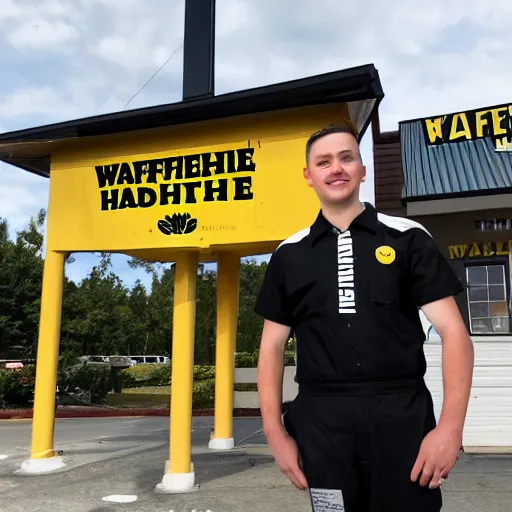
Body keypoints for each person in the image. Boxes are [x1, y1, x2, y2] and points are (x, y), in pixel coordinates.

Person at [254, 124, 474, 512]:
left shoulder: (408, 238)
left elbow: (454, 332)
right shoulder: (289, 254)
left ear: (362, 168)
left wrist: (450, 429)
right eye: (323, 162)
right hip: (322, 425)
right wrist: (275, 434)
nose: (335, 168)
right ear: (309, 176)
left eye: (346, 157)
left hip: (401, 416)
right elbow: (271, 347)